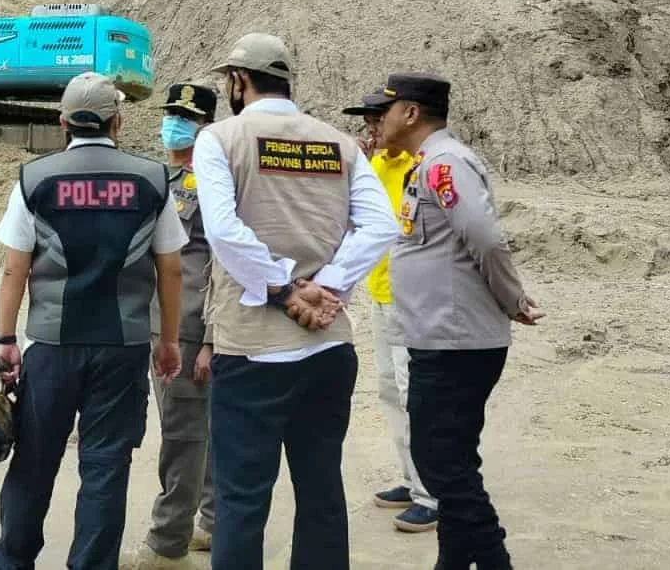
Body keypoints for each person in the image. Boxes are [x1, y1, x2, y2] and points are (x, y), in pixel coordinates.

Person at [193, 33, 398, 570]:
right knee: (322, 493)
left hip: (251, 351)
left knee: (240, 502)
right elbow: (380, 225)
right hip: (327, 349)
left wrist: (284, 289)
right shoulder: (342, 145)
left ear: (238, 80)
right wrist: (328, 285)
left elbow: (224, 231)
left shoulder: (220, 138)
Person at [0, 71, 188, 570]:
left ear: (62, 121)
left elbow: (16, 267)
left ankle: (11, 562)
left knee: (33, 461)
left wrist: (7, 339)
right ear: (117, 121)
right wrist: (168, 341)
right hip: (122, 348)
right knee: (105, 468)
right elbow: (172, 267)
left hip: (53, 345)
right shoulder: (152, 179)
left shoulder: (34, 178)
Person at [376, 73, 543, 570]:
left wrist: (513, 299)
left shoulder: (446, 165)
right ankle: (452, 561)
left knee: (441, 465)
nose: (379, 119)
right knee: (450, 458)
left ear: (410, 113)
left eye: (385, 109)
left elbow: (486, 239)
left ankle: (494, 560)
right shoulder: (429, 163)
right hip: (441, 336)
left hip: (455, 340)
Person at [128, 82, 220, 569]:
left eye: (185, 117)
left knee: (183, 434)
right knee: (193, 427)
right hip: (157, 320)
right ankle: (212, 521)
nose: (173, 123)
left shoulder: (216, 183)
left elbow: (222, 263)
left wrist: (209, 338)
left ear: (206, 127)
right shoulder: (161, 177)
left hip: (186, 325)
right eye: (170, 114)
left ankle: (168, 545)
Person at [341, 88, 441, 534]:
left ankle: (432, 493)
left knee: (415, 395)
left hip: (413, 299)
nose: (370, 130)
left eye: (376, 121)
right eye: (366, 124)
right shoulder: (375, 164)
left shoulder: (420, 167)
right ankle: (411, 478)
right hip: (380, 294)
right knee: (390, 391)